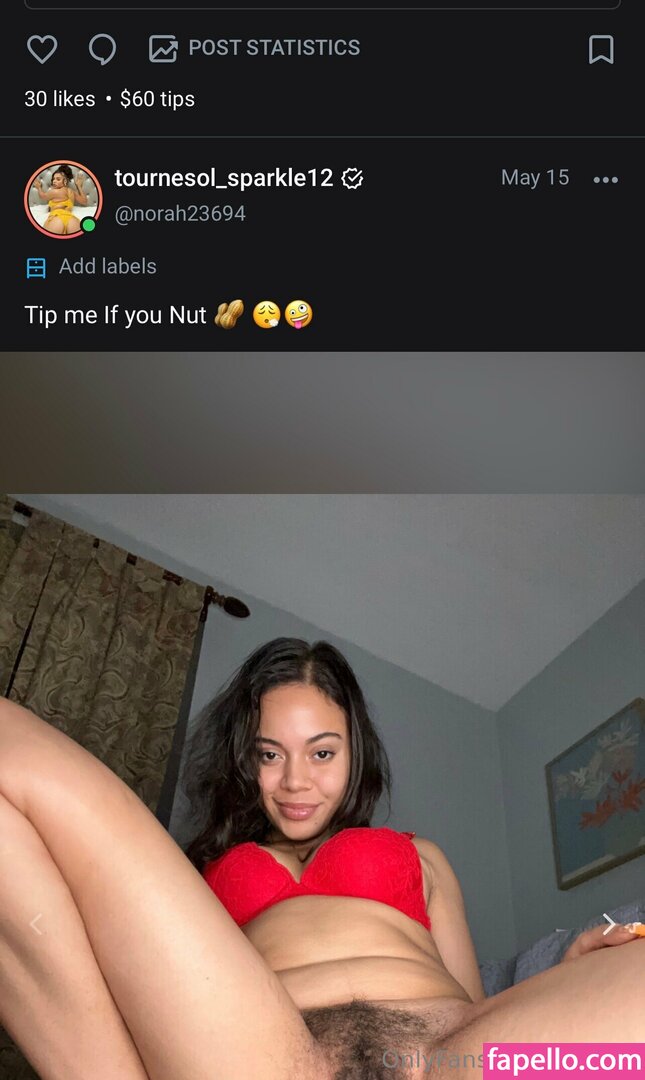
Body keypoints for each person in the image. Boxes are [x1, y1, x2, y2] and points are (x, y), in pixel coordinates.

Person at [0, 638, 642, 1080]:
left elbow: (476, 1002)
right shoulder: (205, 875)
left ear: (355, 754)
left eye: (322, 752)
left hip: (453, 1060)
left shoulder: (422, 856)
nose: (295, 782)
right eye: (269, 754)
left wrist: (562, 980)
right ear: (244, 759)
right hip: (261, 1059)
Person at [32, 164, 89, 234]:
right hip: (71, 218)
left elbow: (43, 196)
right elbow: (84, 201)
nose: (54, 181)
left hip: (57, 217)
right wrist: (79, 186)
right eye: (53, 179)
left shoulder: (54, 191)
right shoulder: (71, 192)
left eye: (58, 179)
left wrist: (38, 187)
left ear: (65, 181)